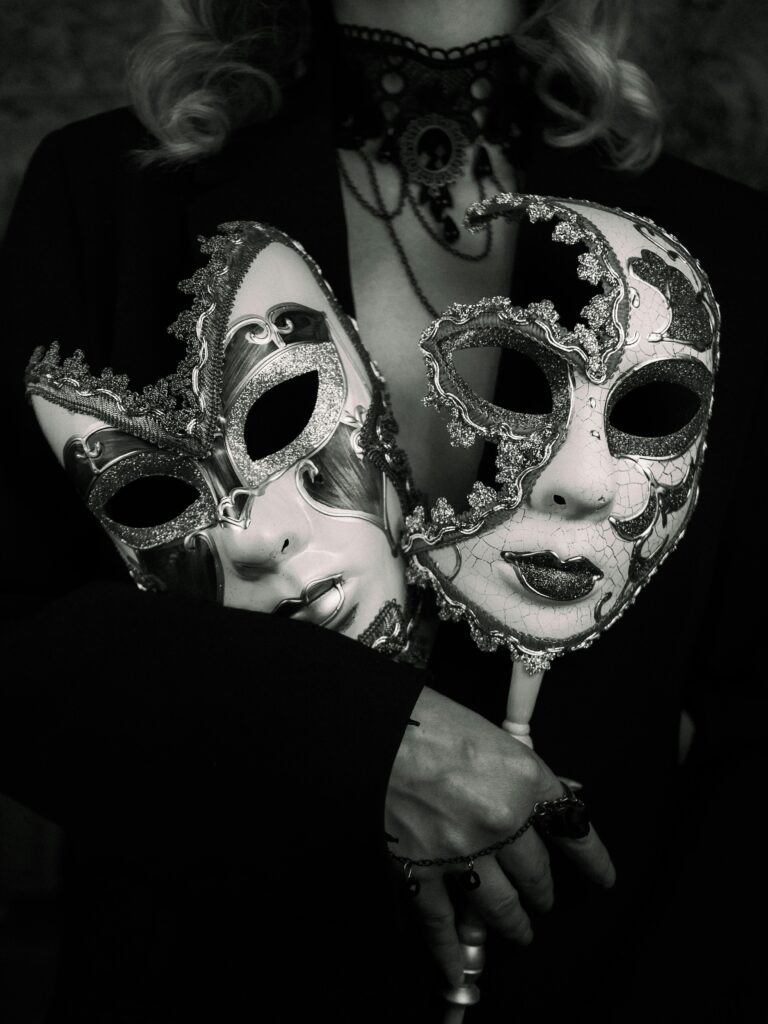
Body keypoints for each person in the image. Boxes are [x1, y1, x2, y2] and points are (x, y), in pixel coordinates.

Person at [0, 1, 764, 1021]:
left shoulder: (719, 243)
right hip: (205, 983)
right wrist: (368, 742)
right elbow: (9, 629)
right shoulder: (110, 196)